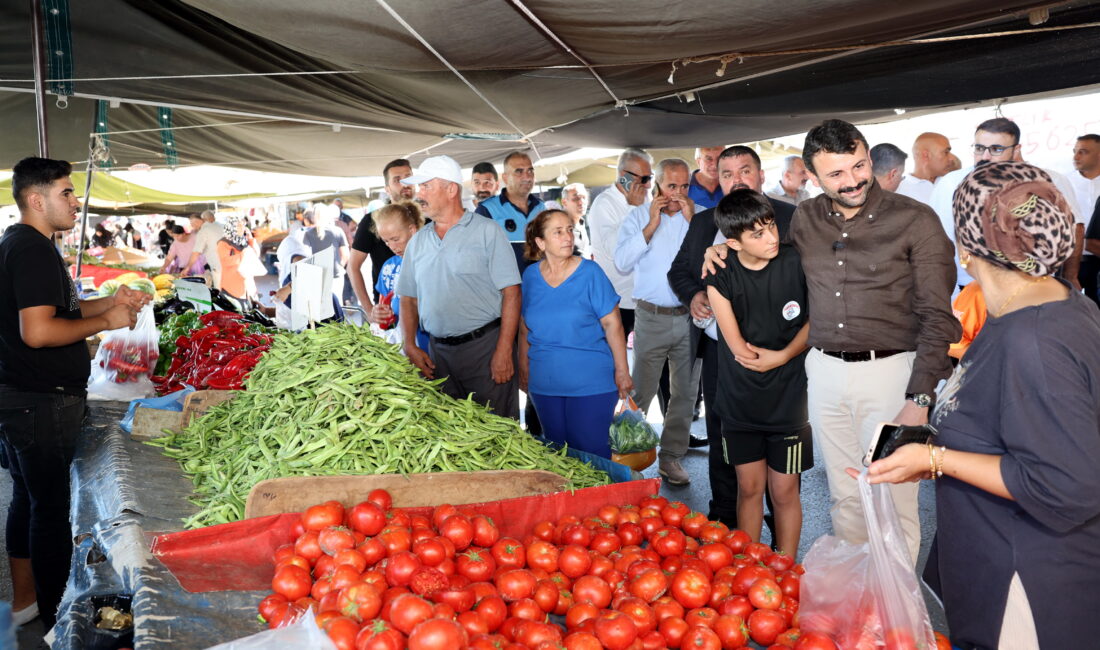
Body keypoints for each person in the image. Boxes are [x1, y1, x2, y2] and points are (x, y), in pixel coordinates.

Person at [862, 162, 1100, 649]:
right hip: (1002, 554)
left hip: (1029, 581)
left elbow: (1065, 485)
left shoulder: (1032, 341)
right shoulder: (1043, 302)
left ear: (965, 249)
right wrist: (927, 455)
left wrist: (935, 459)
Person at [706, 120, 960, 561]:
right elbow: (763, 250)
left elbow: (939, 316)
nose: (853, 180)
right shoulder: (805, 217)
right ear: (814, 177)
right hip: (822, 373)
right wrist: (722, 251)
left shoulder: (915, 220)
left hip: (890, 375)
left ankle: (895, 620)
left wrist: (920, 395)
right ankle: (856, 606)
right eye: (836, 175)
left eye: (859, 166)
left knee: (893, 503)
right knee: (845, 500)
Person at [0, 157, 149, 629]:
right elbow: (40, 331)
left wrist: (111, 302)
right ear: (36, 199)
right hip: (38, 399)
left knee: (28, 498)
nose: (75, 201)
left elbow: (61, 308)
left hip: (24, 396)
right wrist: (106, 323)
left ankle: (26, 602)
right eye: (66, 192)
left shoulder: (26, 245)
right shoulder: (31, 250)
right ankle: (53, 616)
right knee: (49, 508)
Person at [668, 145, 797, 526]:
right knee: (722, 433)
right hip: (721, 353)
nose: (736, 179)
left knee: (780, 443)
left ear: (760, 175)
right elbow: (678, 272)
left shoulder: (790, 217)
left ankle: (779, 519)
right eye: (727, 174)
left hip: (780, 354)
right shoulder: (703, 222)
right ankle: (725, 516)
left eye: (745, 171)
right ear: (716, 180)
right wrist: (693, 296)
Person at [704, 189, 811, 556]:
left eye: (771, 227)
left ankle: (787, 567)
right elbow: (738, 349)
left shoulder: (796, 260)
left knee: (785, 491)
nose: (771, 238)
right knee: (748, 488)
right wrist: (769, 357)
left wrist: (783, 356)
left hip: (790, 401)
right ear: (732, 243)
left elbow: (815, 322)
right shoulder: (719, 275)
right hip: (740, 403)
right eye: (758, 234)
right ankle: (749, 571)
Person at [397, 155, 521, 418]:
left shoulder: (488, 231)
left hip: (484, 351)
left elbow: (512, 293)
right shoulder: (418, 242)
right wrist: (409, 344)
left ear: (451, 189)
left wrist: (503, 351)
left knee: (498, 434)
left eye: (426, 187)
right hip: (437, 356)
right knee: (453, 440)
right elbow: (408, 298)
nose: (419, 194)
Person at [517, 210, 632, 457]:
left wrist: (622, 370)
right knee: (558, 455)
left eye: (569, 229)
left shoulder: (590, 273)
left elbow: (614, 325)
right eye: (558, 232)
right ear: (540, 242)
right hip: (545, 385)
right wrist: (523, 367)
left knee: (592, 456)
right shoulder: (530, 277)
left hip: (591, 384)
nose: (568, 236)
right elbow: (525, 326)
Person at [614, 158, 700, 485]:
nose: (678, 194)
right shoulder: (637, 216)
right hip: (650, 316)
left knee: (685, 393)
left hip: (691, 317)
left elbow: (713, 261)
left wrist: (694, 223)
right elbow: (622, 261)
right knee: (640, 390)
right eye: (672, 186)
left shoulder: (700, 216)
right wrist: (651, 225)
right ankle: (625, 458)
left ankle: (671, 458)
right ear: (659, 186)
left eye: (684, 186)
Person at [930, 117, 1087, 294]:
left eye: (996, 149)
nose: (985, 157)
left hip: (1034, 286)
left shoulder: (1049, 180)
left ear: (1016, 149)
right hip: (970, 288)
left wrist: (1071, 276)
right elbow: (937, 239)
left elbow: (1075, 228)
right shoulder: (951, 183)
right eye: (979, 148)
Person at [589, 148, 653, 336]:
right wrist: (634, 209)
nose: (648, 186)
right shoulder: (604, 203)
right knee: (615, 360)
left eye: (650, 178)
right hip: (616, 299)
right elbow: (614, 249)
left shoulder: (645, 200)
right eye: (644, 179)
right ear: (624, 176)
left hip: (643, 297)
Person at [350, 159, 415, 312]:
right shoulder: (373, 220)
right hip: (388, 311)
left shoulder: (429, 219)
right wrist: (369, 310)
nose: (405, 184)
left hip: (425, 310)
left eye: (408, 177)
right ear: (387, 189)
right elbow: (353, 266)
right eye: (397, 180)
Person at [368, 201, 429, 350]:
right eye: (386, 241)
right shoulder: (389, 267)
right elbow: (384, 309)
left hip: (429, 344)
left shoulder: (430, 260)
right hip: (402, 346)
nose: (392, 246)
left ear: (412, 230)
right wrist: (378, 314)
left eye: (396, 239)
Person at [476, 151, 546, 270]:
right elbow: (476, 256)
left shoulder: (541, 208)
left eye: (530, 171)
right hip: (506, 286)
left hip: (539, 284)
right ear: (505, 178)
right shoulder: (487, 210)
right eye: (519, 171)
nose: (527, 177)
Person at [1070, 134, 1100, 303]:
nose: (1076, 157)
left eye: (1083, 152)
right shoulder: (1064, 182)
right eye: (1075, 151)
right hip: (1072, 262)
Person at [304, 203, 351, 303]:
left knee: (320, 307)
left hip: (317, 275)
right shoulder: (338, 231)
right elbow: (345, 255)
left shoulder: (308, 234)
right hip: (336, 275)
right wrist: (339, 266)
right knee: (337, 306)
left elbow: (305, 256)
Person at [895, 132, 953, 204]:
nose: (951, 158)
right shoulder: (899, 191)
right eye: (946, 152)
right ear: (926, 155)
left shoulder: (953, 183)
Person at [216, 215, 260, 304]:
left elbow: (256, 255)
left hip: (248, 285)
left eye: (243, 226)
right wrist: (242, 256)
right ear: (231, 227)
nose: (242, 228)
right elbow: (225, 261)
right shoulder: (223, 243)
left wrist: (251, 239)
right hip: (232, 286)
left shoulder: (245, 240)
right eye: (239, 226)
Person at [186, 210, 224, 289]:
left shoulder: (203, 231)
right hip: (230, 264)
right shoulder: (222, 225)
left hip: (218, 266)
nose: (192, 226)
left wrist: (187, 268)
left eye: (192, 224)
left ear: (198, 221)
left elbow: (196, 252)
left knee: (221, 292)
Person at [560, 183, 592, 258]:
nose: (581, 202)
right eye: (576, 199)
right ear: (564, 202)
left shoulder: (581, 222)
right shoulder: (558, 227)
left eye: (584, 197)